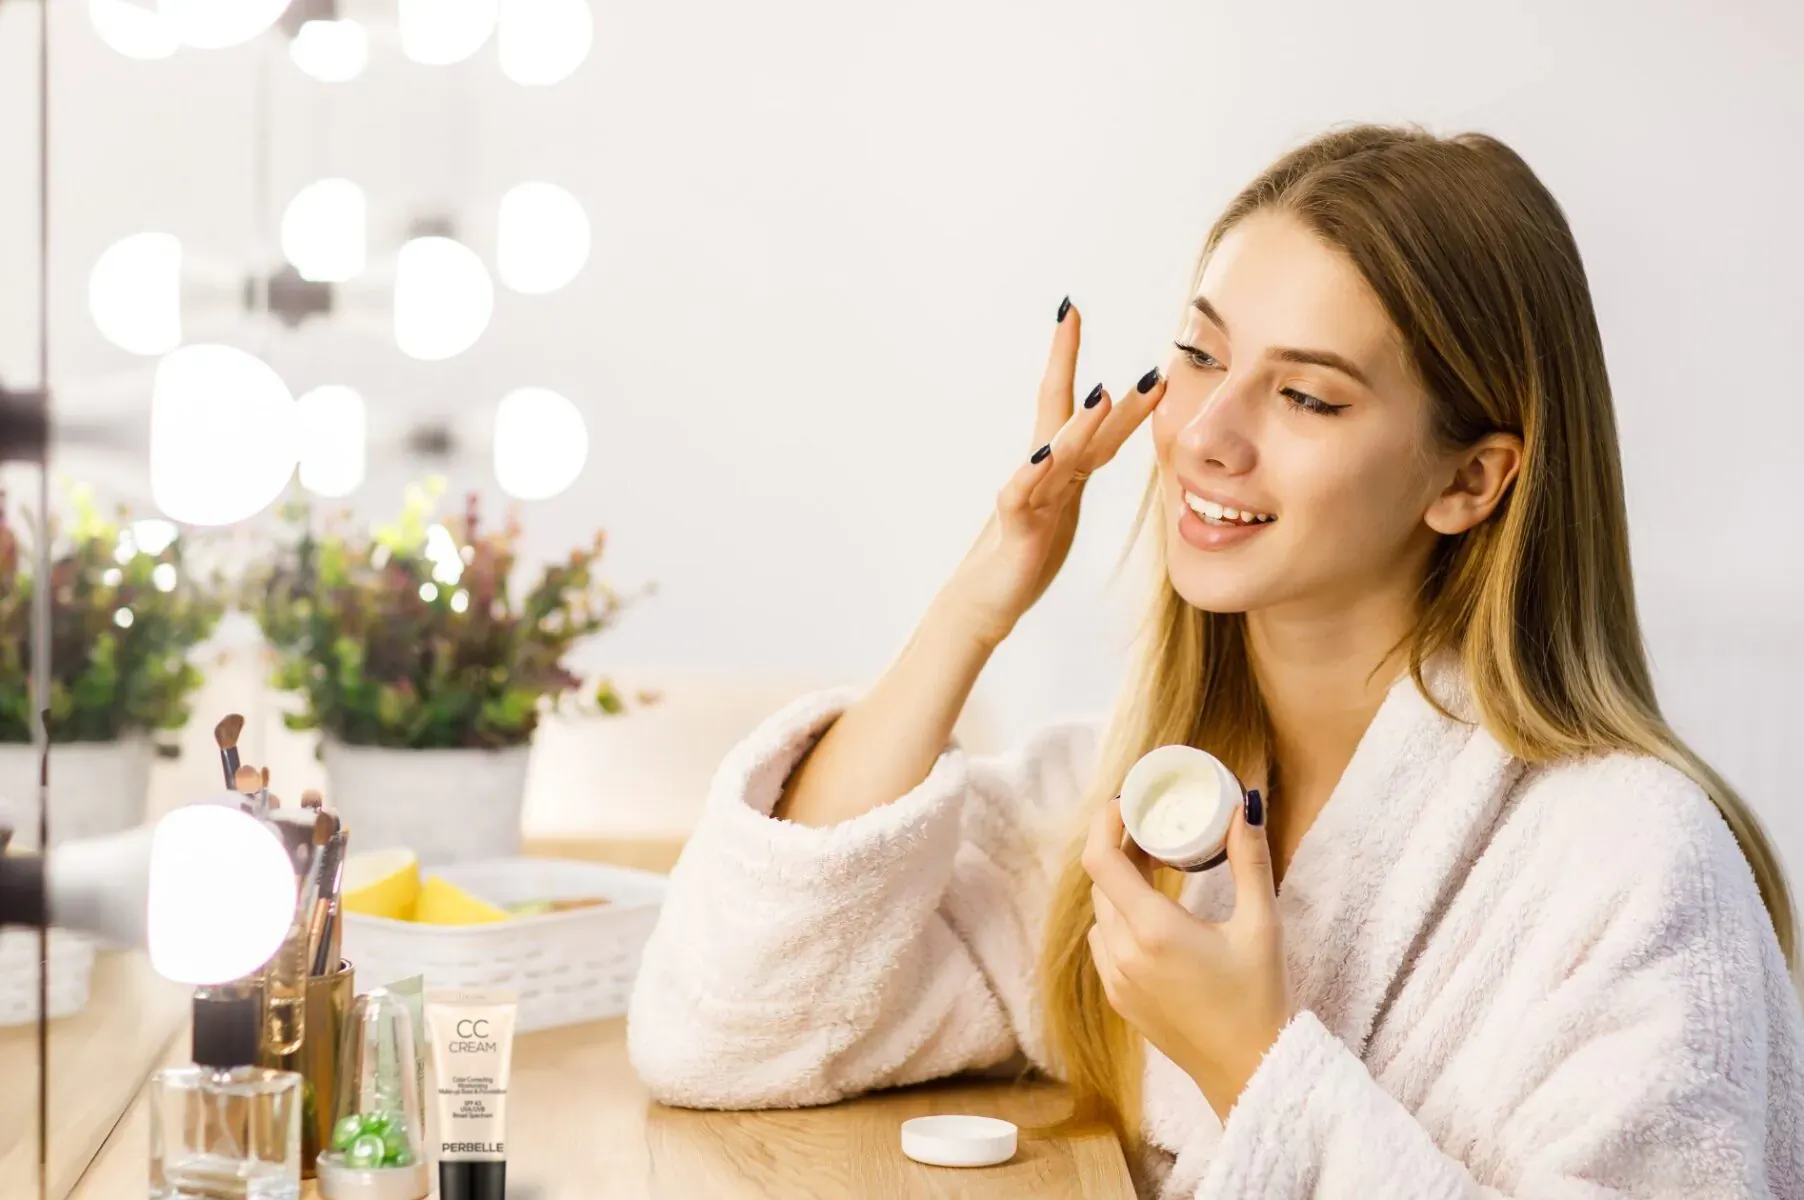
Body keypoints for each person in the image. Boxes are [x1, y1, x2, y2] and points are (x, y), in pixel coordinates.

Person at [625, 124, 1804, 1197]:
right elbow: (736, 1025)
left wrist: (1253, 1067)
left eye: (1304, 396)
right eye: (1197, 353)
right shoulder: (1138, 809)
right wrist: (982, 597)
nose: (1204, 432)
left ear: (1468, 480)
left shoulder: (1634, 866)